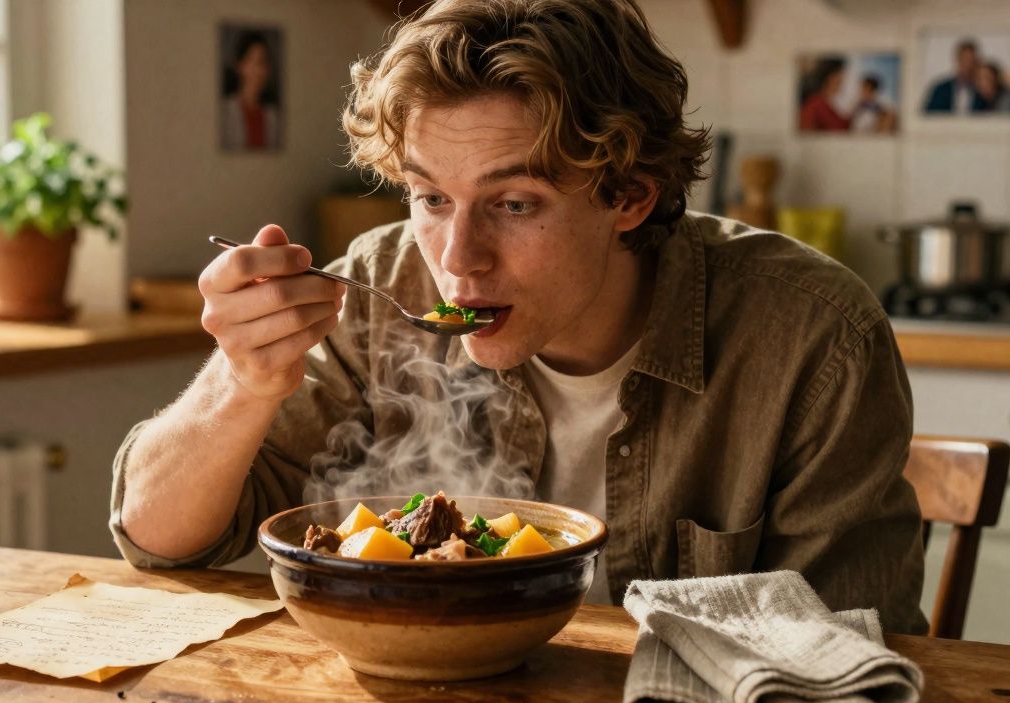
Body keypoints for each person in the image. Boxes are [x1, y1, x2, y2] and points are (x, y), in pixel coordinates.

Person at [112, 0, 928, 634]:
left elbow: (846, 656)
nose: (458, 258)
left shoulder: (813, 336)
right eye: (431, 197)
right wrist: (243, 381)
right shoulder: (376, 288)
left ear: (629, 196)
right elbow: (157, 538)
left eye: (513, 203)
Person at [221, 31, 280, 150]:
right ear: (240, 66)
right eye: (255, 62)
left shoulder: (274, 118)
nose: (259, 71)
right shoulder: (224, 112)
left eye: (264, 63)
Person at [923, 38, 984, 114]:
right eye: (964, 60)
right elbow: (927, 115)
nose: (967, 65)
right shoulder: (941, 90)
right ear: (957, 60)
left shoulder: (982, 91)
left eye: (971, 61)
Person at [798, 58, 851, 131]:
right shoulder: (814, 104)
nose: (842, 80)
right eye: (840, 75)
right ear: (830, 78)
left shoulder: (831, 103)